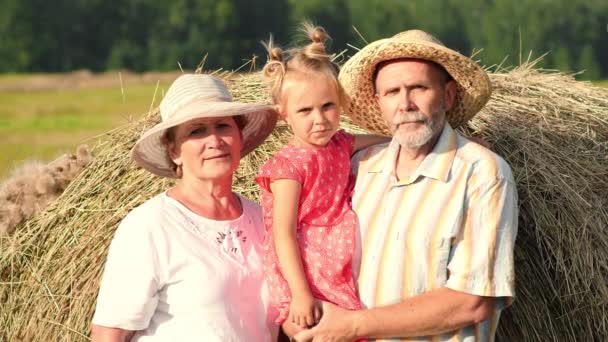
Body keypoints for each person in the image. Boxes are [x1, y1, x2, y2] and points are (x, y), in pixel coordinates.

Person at [293, 30, 518, 341]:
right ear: (378, 102)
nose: (405, 104)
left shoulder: (482, 174)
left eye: (419, 88)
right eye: (391, 92)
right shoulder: (360, 168)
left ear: (448, 95)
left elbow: (473, 300)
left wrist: (353, 325)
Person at [90, 74, 279, 341]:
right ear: (174, 151)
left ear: (240, 137)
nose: (215, 140)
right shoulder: (149, 226)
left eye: (223, 126)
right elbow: (109, 335)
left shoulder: (265, 220)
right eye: (196, 131)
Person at [255, 23, 388, 333]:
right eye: (305, 111)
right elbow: (283, 234)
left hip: (337, 257)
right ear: (284, 113)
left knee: (347, 328)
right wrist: (301, 294)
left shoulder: (340, 143)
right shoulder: (288, 167)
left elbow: (386, 139)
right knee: (310, 329)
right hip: (305, 266)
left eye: (328, 106)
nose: (320, 119)